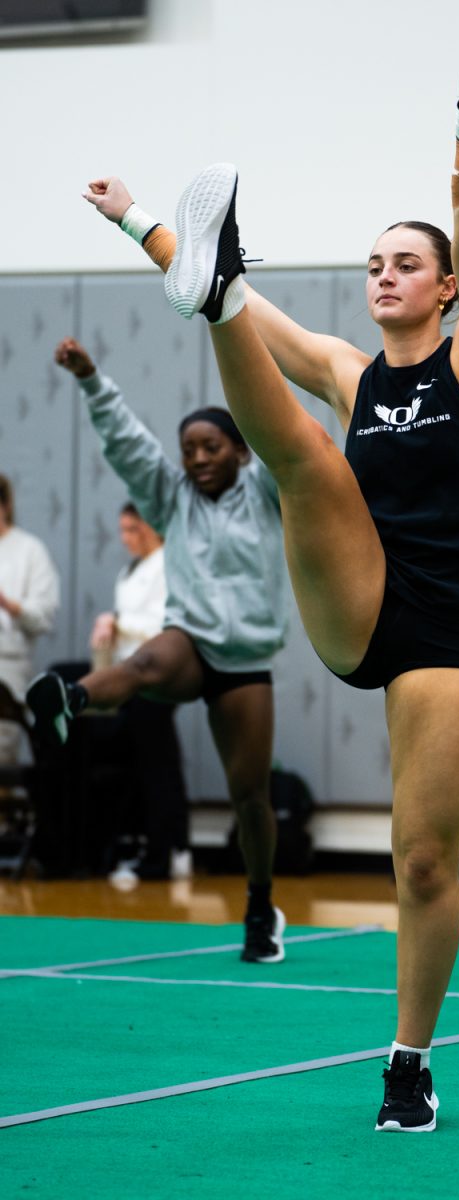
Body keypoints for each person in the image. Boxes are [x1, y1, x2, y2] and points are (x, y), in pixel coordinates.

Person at [83, 56, 459, 1131]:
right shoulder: (348, 370)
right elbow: (260, 313)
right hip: (362, 598)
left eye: (404, 265)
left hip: (451, 636)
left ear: (445, 286)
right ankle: (211, 301)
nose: (382, 277)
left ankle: (408, 1059)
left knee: (422, 858)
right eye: (371, 264)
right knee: (309, 458)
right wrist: (139, 218)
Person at [27, 340, 289, 964]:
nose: (197, 459)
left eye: (211, 447)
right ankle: (72, 698)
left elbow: (285, 432)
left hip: (246, 659)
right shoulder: (172, 498)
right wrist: (92, 380)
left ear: (241, 451)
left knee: (249, 794)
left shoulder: (268, 492)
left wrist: (265, 372)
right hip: (190, 642)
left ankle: (260, 904)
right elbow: (127, 443)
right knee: (147, 661)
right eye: (189, 450)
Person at [90, 502, 191, 884]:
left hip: (157, 677)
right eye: (122, 530)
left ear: (149, 528)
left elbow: (164, 624)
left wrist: (118, 622)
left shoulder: (167, 564)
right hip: (130, 679)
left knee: (158, 767)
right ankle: (157, 847)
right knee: (148, 764)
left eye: (132, 529)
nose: (126, 538)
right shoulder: (128, 571)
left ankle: (165, 853)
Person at [0, 474, 59, 764]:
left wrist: (12, 606)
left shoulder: (30, 550)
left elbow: (43, 616)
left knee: (2, 741)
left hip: (9, 660)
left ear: (6, 506)